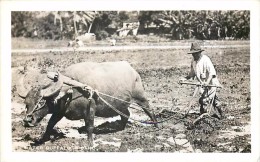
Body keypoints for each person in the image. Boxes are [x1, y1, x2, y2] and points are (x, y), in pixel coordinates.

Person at [179, 42, 223, 119]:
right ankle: (220, 114)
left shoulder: (205, 59)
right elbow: (191, 74)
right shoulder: (193, 61)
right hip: (202, 84)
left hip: (211, 83)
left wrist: (207, 82)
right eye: (192, 54)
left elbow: (212, 73)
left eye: (195, 53)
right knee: (214, 100)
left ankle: (204, 116)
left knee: (204, 100)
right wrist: (184, 78)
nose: (194, 55)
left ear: (199, 52)